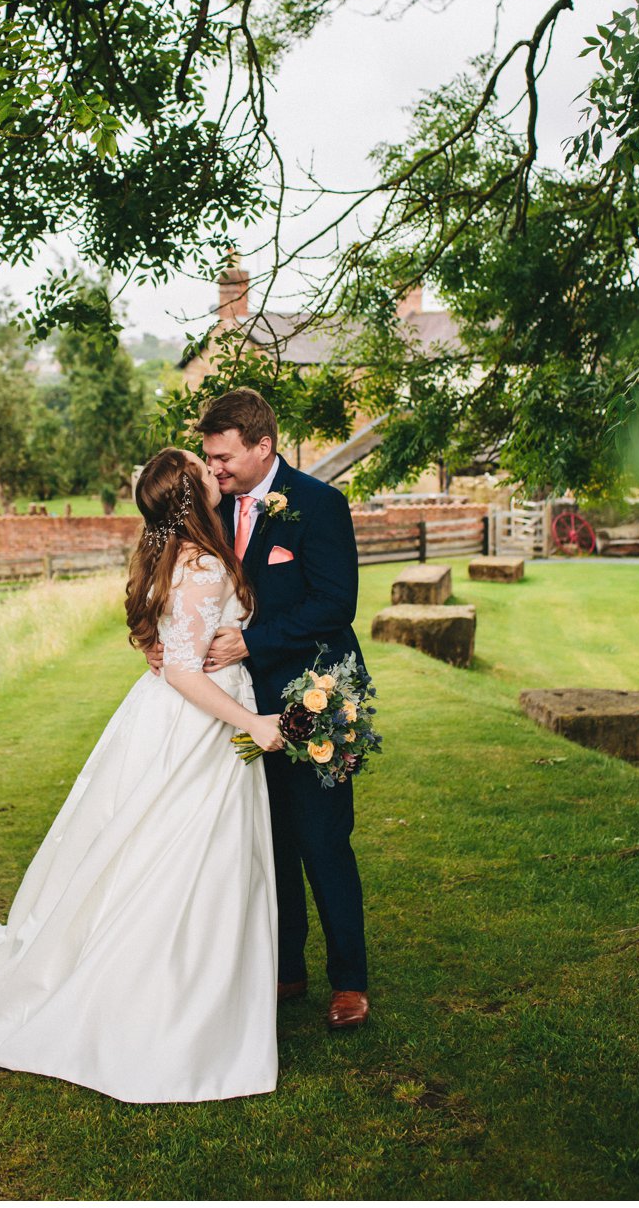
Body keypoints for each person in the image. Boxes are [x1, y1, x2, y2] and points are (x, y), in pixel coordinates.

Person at [0, 447, 284, 1102]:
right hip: (198, 726)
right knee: (188, 859)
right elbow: (182, 670)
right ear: (193, 497)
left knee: (150, 850)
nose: (212, 471)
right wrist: (251, 724)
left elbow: (161, 647)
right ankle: (168, 1009)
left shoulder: (165, 554)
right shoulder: (199, 564)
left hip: (166, 720)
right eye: (203, 470)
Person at [191, 387, 371, 1031]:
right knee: (267, 843)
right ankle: (285, 968)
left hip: (311, 700)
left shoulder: (320, 506)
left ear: (261, 445)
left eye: (222, 456)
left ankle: (349, 980)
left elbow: (334, 604)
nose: (213, 467)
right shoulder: (209, 509)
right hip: (241, 706)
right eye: (209, 457)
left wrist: (253, 639)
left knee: (322, 840)